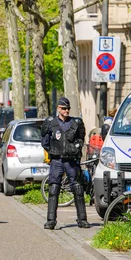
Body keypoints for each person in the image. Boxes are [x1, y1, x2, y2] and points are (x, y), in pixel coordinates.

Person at [40, 97, 89, 229]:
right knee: (54, 189)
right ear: (58, 109)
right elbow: (44, 141)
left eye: (68, 108)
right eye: (63, 108)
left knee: (78, 188)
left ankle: (82, 219)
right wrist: (53, 151)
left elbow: (80, 138)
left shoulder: (76, 122)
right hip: (57, 160)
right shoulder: (50, 123)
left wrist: (76, 147)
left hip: (71, 161)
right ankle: (51, 221)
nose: (66, 110)